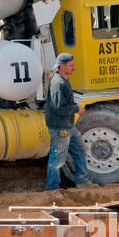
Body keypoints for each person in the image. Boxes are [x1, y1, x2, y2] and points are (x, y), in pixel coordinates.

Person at [45, 52, 88, 197]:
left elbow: (64, 103)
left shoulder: (63, 79)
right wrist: (76, 108)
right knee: (58, 158)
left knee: (80, 150)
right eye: (71, 65)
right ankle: (52, 189)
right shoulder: (58, 83)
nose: (74, 68)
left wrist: (74, 106)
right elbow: (58, 107)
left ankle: (82, 182)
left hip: (67, 125)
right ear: (62, 66)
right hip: (60, 127)